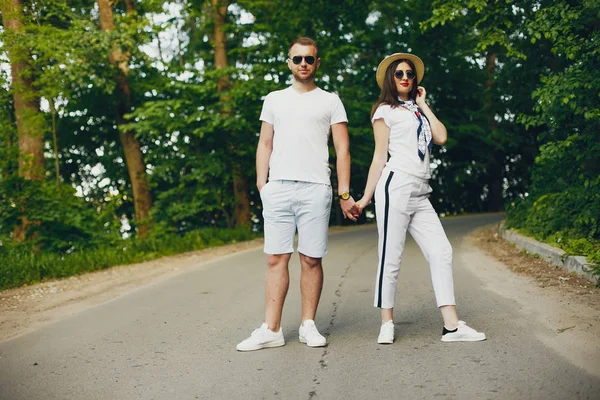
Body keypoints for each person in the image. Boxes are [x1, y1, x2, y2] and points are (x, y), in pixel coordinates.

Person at [236, 37, 359, 352]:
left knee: (310, 259)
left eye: (309, 59)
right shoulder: (274, 99)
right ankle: (271, 329)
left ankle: (308, 325)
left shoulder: (330, 100)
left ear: (317, 63)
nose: (303, 63)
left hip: (316, 188)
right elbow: (265, 143)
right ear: (288, 62)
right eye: (297, 58)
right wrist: (263, 185)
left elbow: (343, 149)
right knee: (275, 258)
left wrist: (344, 193)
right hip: (278, 188)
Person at [355, 53, 486, 344]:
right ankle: (386, 322)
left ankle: (451, 326)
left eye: (410, 74)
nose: (405, 77)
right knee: (391, 255)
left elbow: (440, 137)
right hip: (396, 185)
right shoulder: (384, 111)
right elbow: (379, 157)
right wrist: (365, 199)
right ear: (390, 78)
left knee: (441, 252)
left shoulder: (417, 110)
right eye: (399, 73)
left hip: (420, 190)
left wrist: (424, 104)